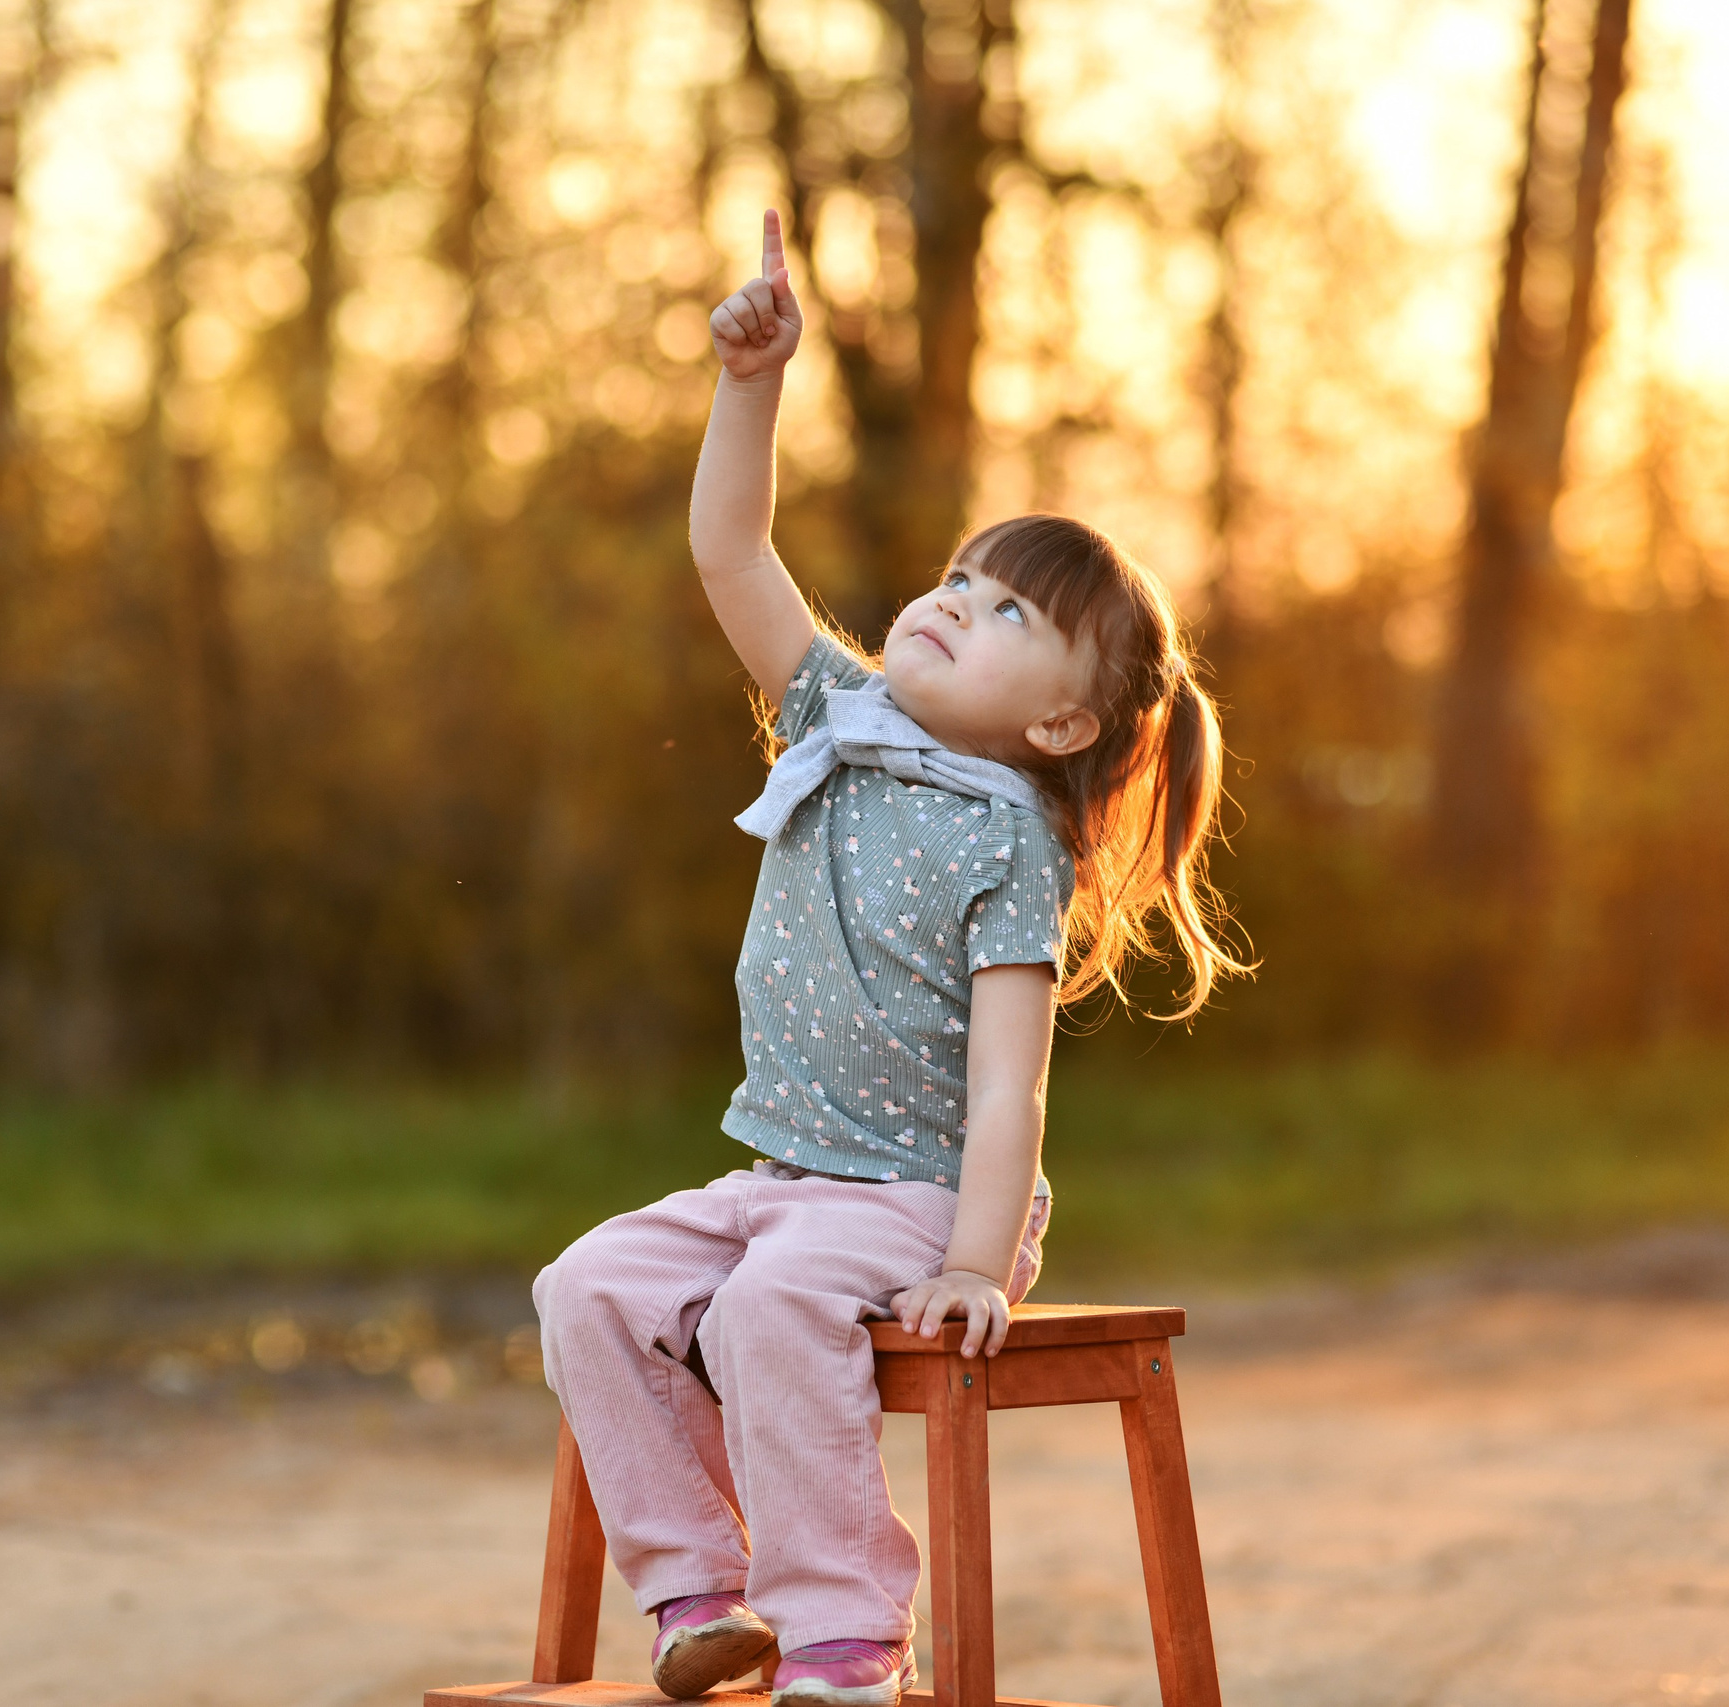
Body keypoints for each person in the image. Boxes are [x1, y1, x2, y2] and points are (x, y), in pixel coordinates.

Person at [531, 211, 1248, 1707]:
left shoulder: (1011, 851)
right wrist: (751, 384)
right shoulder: (831, 720)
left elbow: (1008, 1098)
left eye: (1005, 615)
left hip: (921, 1198)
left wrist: (980, 1262)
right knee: (586, 1284)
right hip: (782, 1177)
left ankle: (847, 1633)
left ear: (1059, 725)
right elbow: (729, 546)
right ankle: (694, 1599)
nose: (950, 603)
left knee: (766, 1310)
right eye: (958, 579)